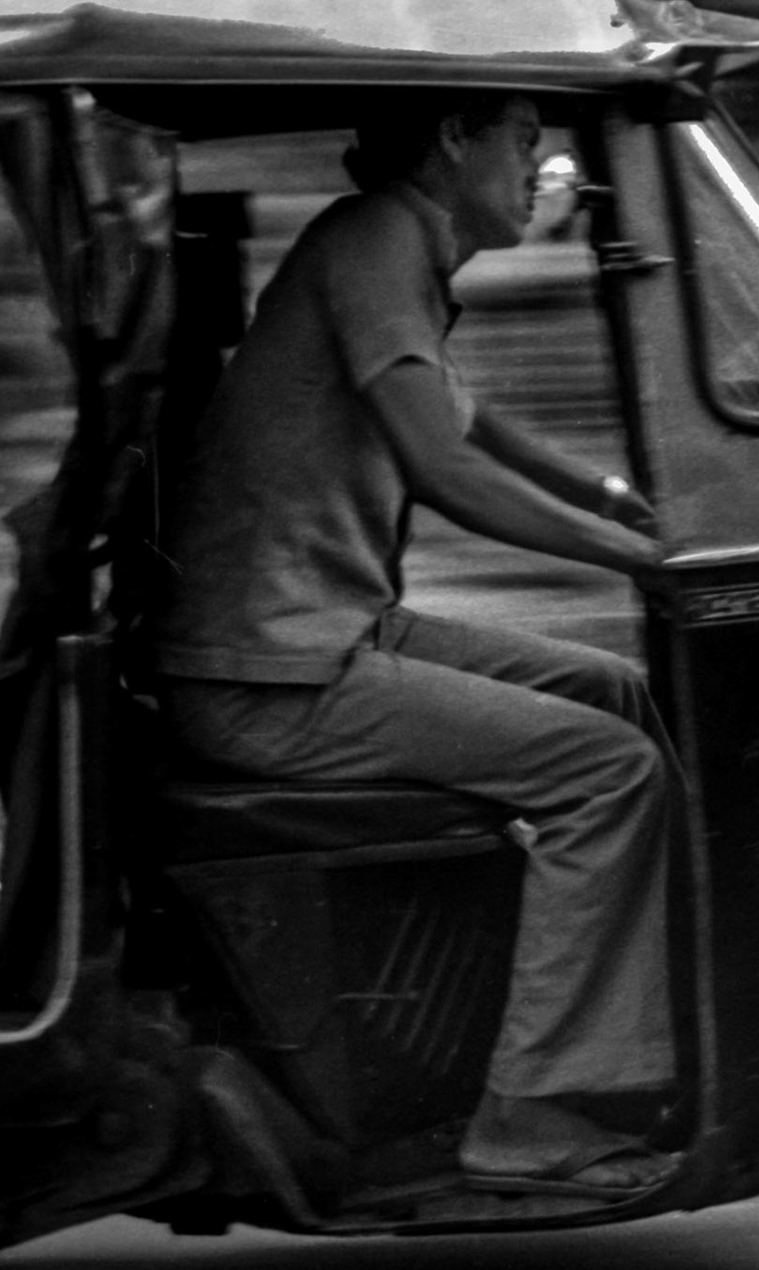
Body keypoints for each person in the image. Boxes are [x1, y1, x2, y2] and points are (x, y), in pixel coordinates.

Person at [150, 92, 683, 1199]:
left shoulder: (396, 247)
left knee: (622, 696)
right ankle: (530, 1110)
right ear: (454, 139)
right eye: (526, 139)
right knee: (612, 773)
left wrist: (616, 498)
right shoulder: (380, 235)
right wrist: (639, 561)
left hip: (318, 630)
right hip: (274, 671)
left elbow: (468, 419)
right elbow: (444, 468)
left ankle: (628, 1036)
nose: (540, 169)